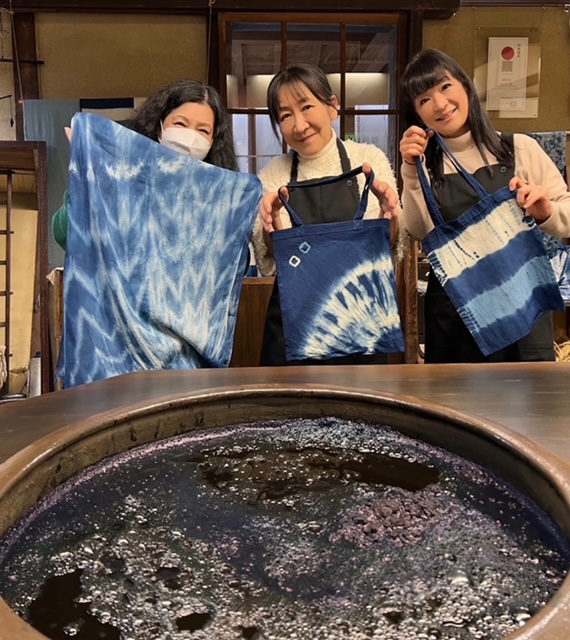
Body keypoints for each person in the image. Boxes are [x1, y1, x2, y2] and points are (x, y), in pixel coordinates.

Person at [399, 48, 570, 363]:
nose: (440, 104)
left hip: (523, 303)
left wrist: (546, 212)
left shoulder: (518, 148)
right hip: (455, 312)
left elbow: (567, 213)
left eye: (445, 86)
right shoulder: (423, 165)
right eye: (424, 100)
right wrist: (410, 170)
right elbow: (418, 231)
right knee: (453, 395)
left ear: (465, 85)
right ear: (417, 115)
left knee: (526, 393)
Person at [251, 63, 401, 366]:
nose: (299, 124)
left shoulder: (367, 159)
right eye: (285, 115)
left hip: (362, 317)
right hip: (295, 320)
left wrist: (391, 220)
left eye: (306, 107)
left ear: (332, 107)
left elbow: (389, 246)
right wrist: (271, 228)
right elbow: (273, 261)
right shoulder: (273, 174)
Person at [52, 79, 238, 250]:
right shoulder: (123, 174)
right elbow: (65, 235)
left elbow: (233, 256)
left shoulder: (221, 195)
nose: (191, 136)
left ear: (213, 140)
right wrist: (87, 174)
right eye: (181, 124)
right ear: (159, 126)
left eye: (203, 130)